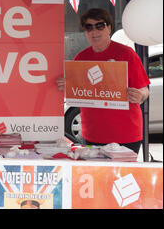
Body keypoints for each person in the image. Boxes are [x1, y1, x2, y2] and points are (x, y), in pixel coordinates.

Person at [57, 8, 150, 154]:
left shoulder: (126, 54)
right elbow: (75, 93)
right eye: (89, 27)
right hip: (92, 134)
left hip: (126, 134)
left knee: (123, 176)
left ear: (109, 28)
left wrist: (140, 95)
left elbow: (145, 90)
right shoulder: (81, 58)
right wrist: (66, 87)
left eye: (100, 25)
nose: (94, 31)